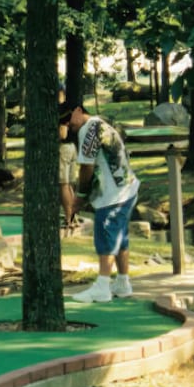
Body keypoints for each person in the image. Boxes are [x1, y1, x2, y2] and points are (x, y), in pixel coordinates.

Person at [60, 101, 139, 303]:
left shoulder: (89, 130)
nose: (67, 125)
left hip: (113, 194)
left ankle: (102, 286)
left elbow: (86, 167)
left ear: (78, 110)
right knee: (120, 237)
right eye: (63, 123)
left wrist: (81, 197)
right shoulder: (99, 123)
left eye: (68, 120)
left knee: (106, 237)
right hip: (127, 188)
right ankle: (122, 283)